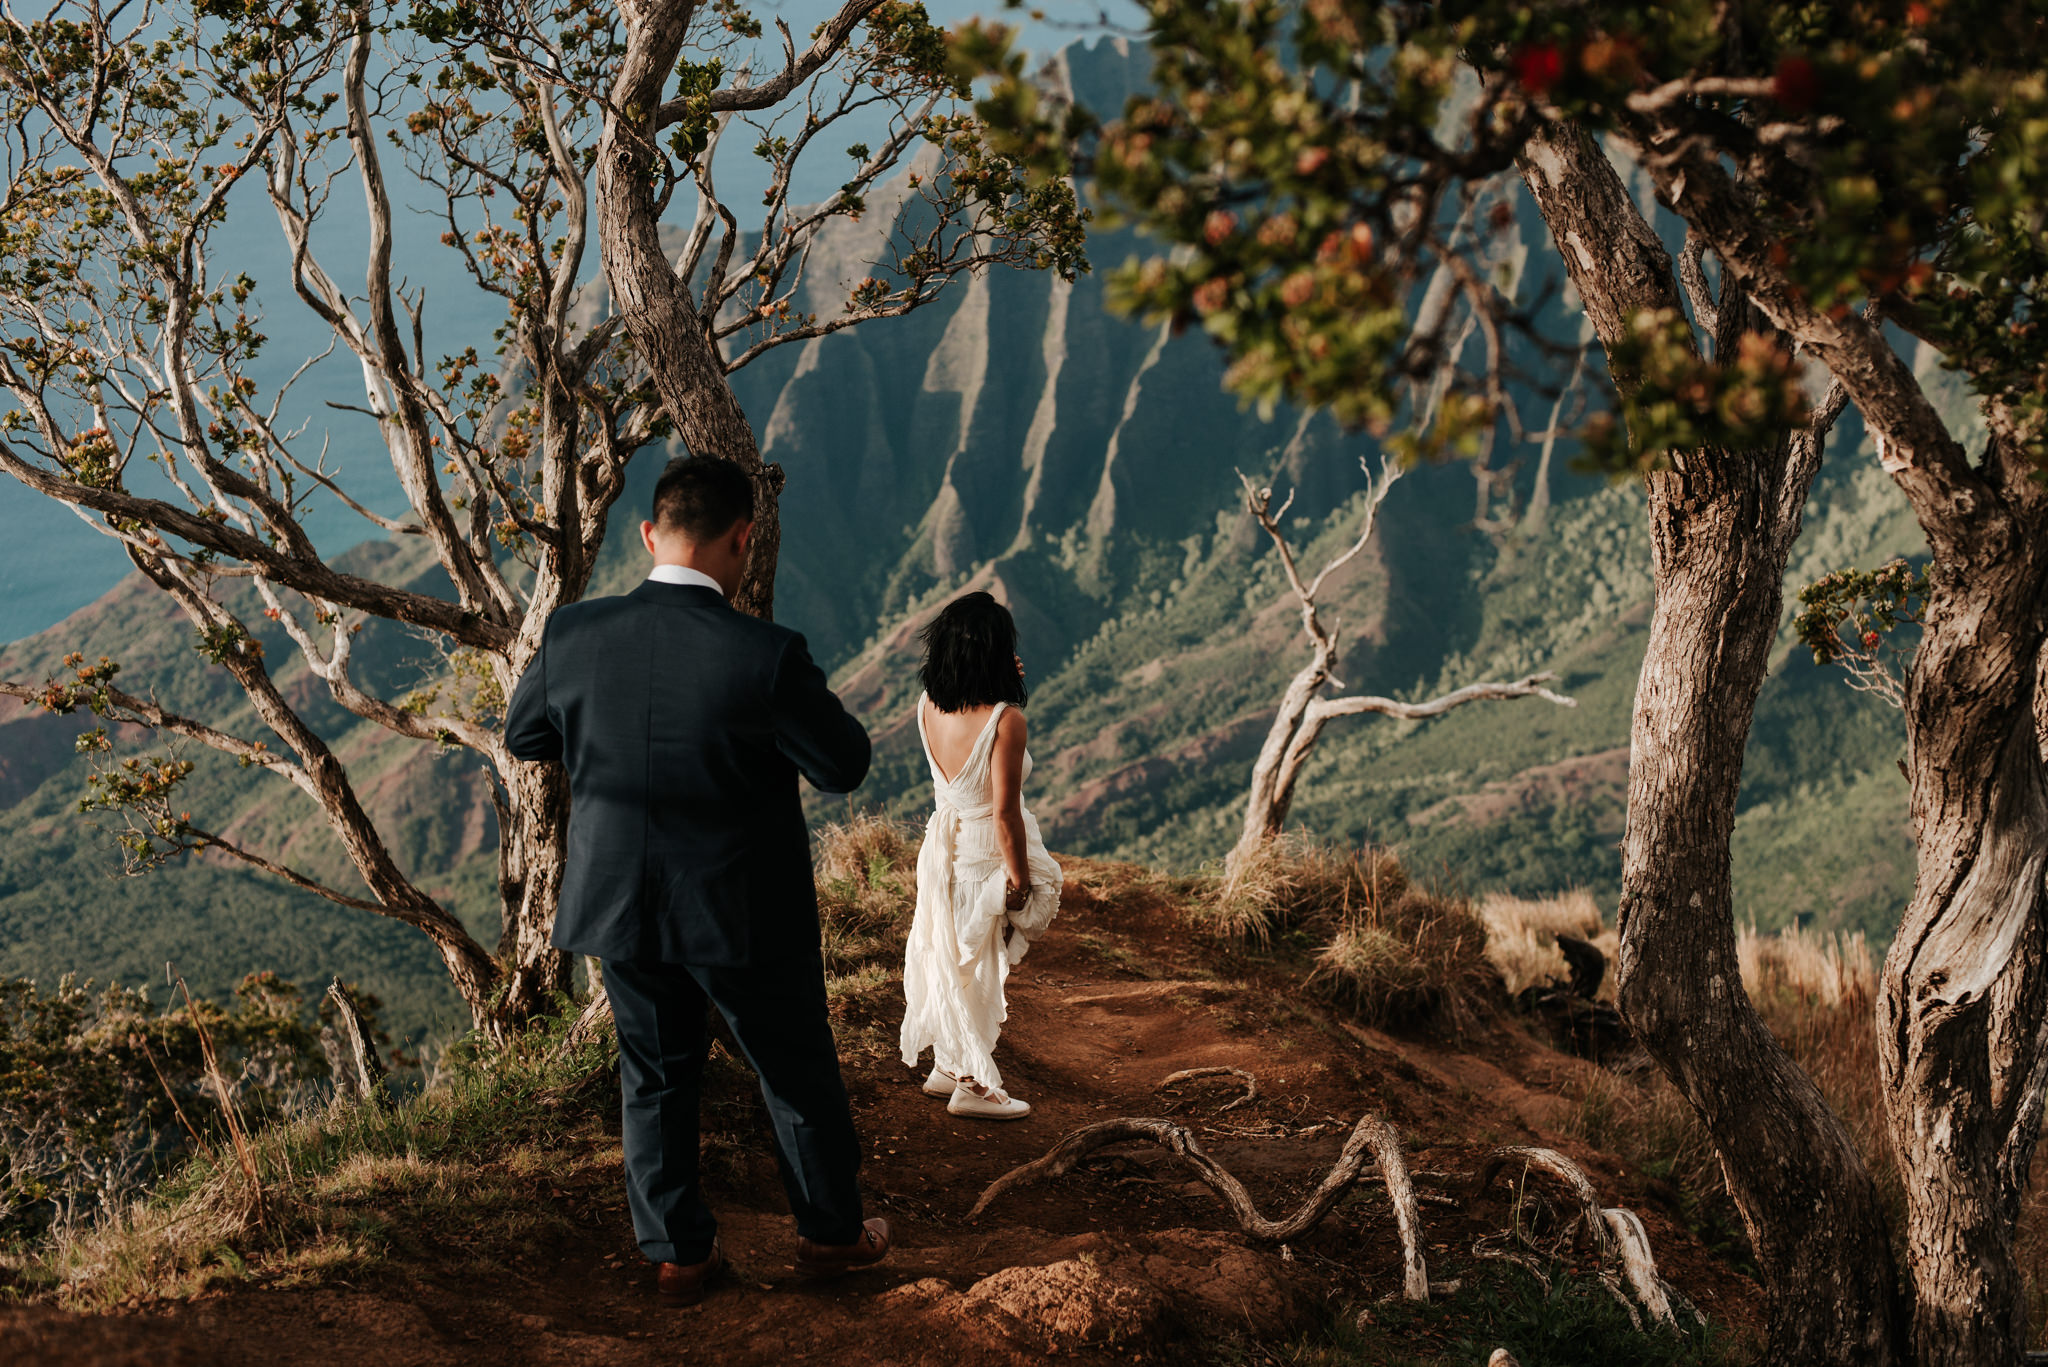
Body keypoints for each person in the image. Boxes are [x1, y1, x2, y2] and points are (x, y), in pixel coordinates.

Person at [504, 454, 888, 1305]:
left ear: (649, 535)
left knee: (654, 1074)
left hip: (617, 904)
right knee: (790, 1068)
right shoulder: (765, 654)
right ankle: (830, 1236)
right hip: (741, 910)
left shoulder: (573, 634)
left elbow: (525, 735)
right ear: (743, 540)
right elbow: (844, 764)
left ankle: (680, 1252)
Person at [899, 591, 1062, 1120]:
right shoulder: (1006, 720)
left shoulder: (927, 705)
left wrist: (998, 681)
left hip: (942, 852)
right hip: (983, 856)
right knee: (978, 965)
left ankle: (947, 1068)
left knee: (956, 958)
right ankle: (972, 1086)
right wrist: (1017, 881)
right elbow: (1005, 816)